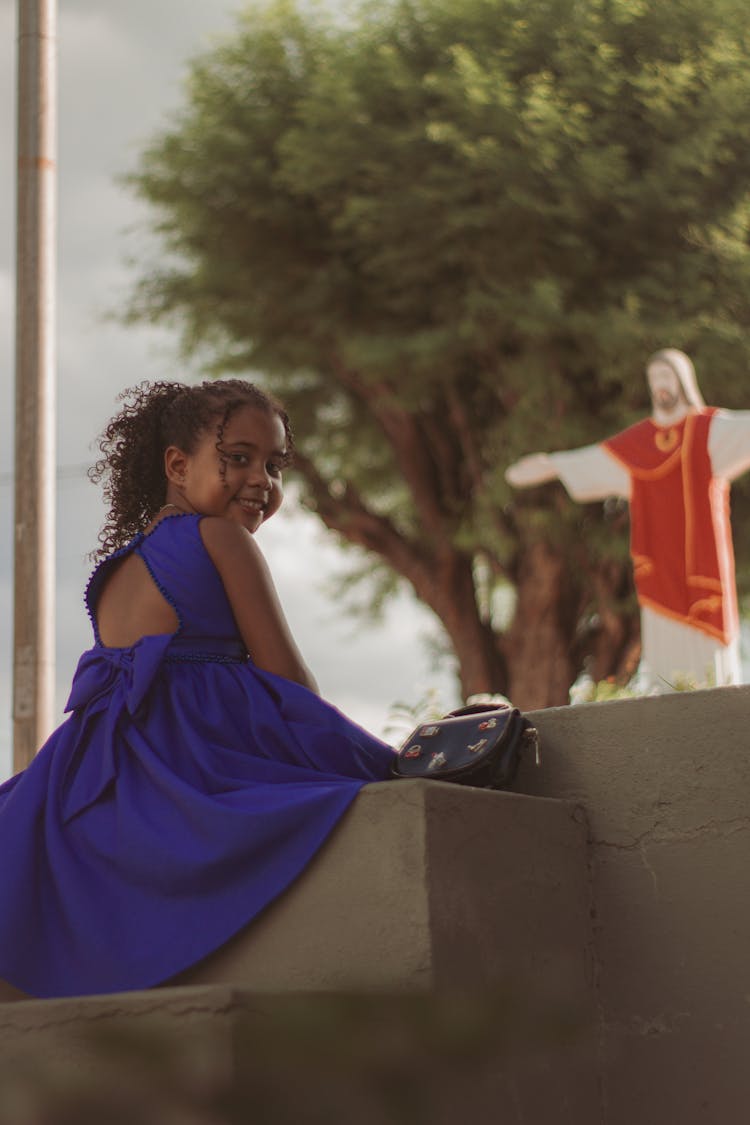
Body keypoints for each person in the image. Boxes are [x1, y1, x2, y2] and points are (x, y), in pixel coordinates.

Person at [0, 379, 395, 1000]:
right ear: (178, 466)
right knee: (373, 786)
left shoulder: (119, 566)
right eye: (238, 458)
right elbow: (287, 681)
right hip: (185, 752)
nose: (261, 479)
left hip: (94, 768)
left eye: (274, 464)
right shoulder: (221, 539)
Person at [505, 349, 750, 692]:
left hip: (701, 563)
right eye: (654, 380)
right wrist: (552, 465)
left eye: (666, 377)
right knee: (666, 662)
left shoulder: (707, 430)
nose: (660, 386)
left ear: (682, 379)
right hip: (659, 567)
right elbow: (594, 460)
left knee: (712, 669)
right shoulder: (640, 442)